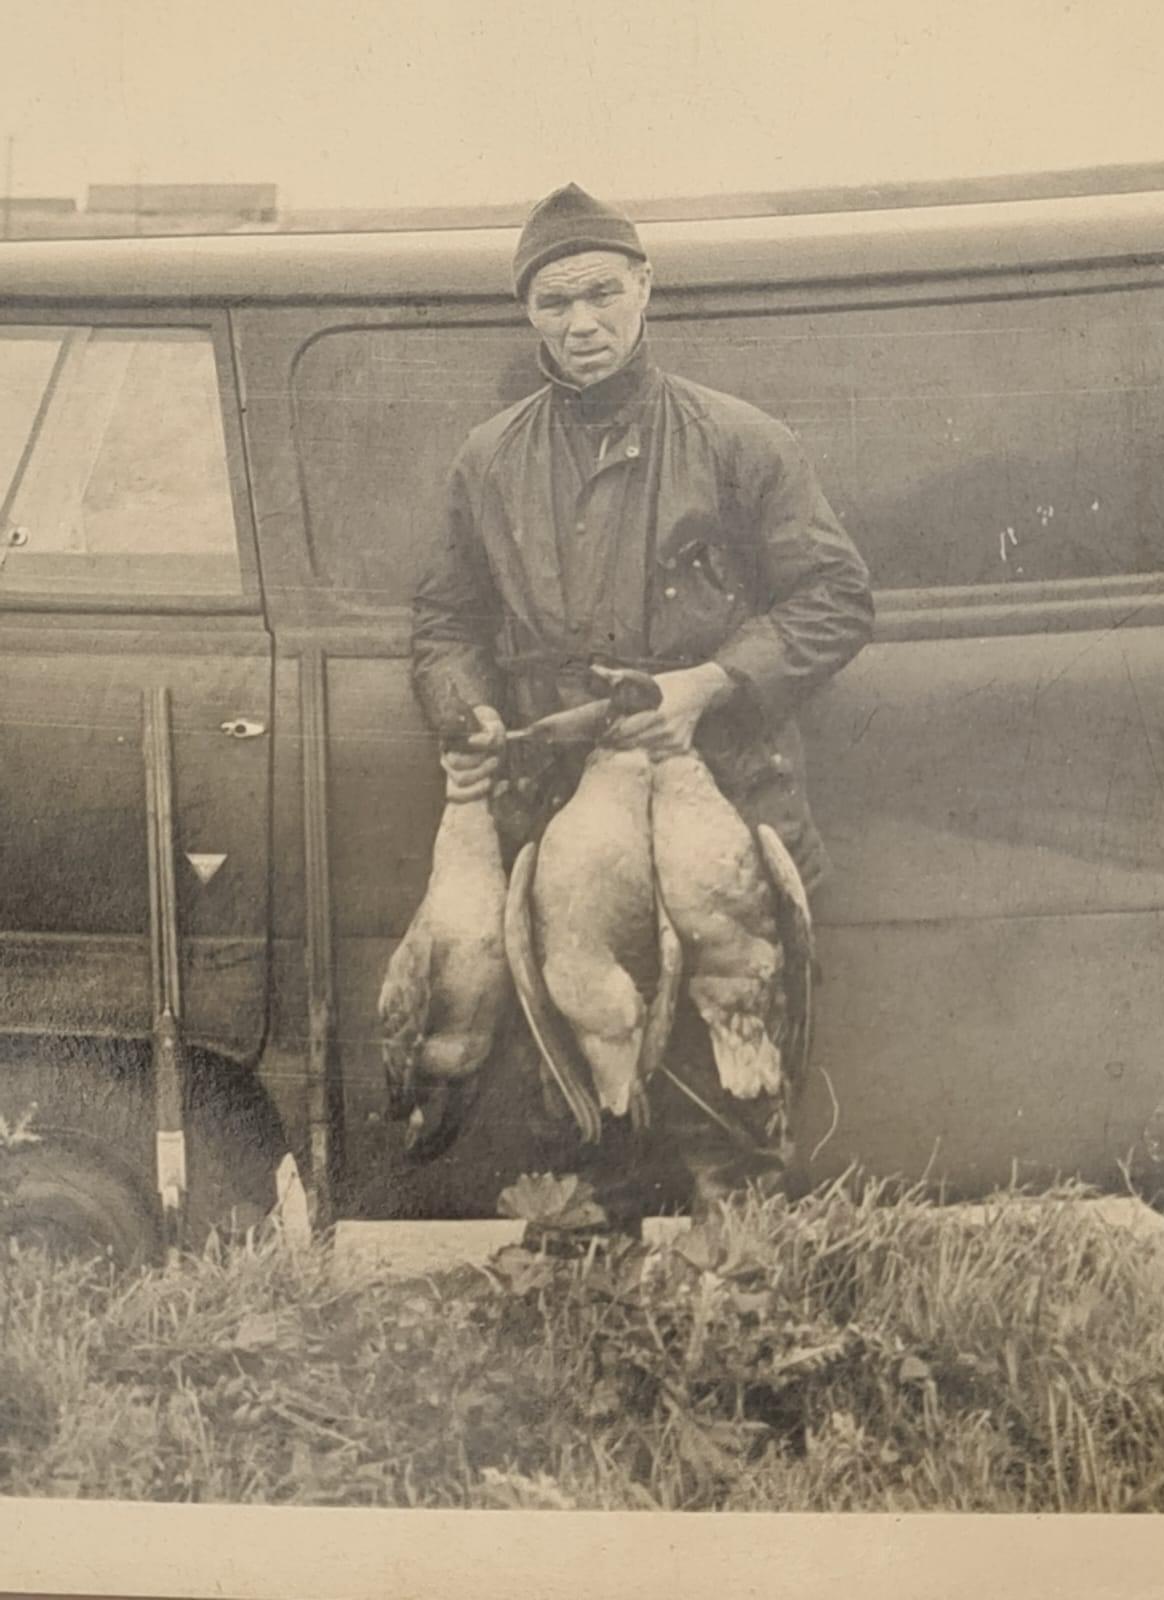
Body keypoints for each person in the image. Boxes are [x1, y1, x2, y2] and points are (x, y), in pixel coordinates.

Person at [411, 182, 873, 1223]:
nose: (581, 325)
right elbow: (443, 624)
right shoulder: (488, 460)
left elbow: (838, 595)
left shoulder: (739, 440)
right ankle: (594, 1358)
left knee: (734, 1129)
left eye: (602, 296)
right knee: (580, 1144)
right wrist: (468, 716)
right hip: (569, 842)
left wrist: (710, 684)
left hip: (725, 828)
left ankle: (747, 1354)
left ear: (645, 289)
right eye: (552, 304)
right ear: (526, 312)